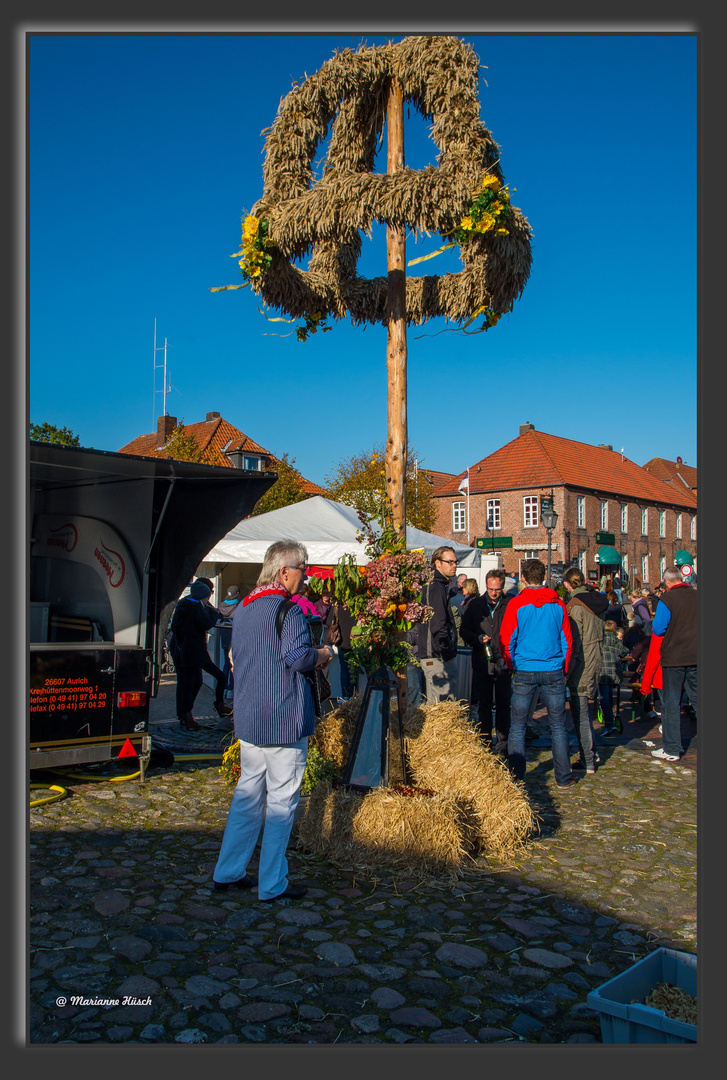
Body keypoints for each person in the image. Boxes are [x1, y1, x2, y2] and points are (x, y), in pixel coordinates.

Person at [212, 540, 332, 901]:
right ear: (284, 571)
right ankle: (272, 883)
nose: (306, 576)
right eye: (303, 569)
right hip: (282, 717)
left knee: (247, 796)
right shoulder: (287, 610)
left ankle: (229, 872)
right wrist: (324, 654)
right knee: (281, 801)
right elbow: (297, 657)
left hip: (251, 717)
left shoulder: (246, 608)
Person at [499, 559, 577, 789]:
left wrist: (511, 663)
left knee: (518, 726)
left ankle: (516, 777)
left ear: (523, 578)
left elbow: (506, 639)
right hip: (552, 667)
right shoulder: (558, 604)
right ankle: (563, 777)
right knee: (558, 727)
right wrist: (564, 668)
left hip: (525, 667)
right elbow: (567, 641)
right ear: (544, 577)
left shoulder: (516, 604)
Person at [648, 565, 697, 762]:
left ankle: (672, 748)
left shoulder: (667, 599)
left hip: (674, 657)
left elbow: (658, 628)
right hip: (696, 654)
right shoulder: (697, 596)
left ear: (668, 581)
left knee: (671, 703)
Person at [169, 580, 233, 730]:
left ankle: (186, 715)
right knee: (191, 682)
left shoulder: (184, 603)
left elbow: (178, 627)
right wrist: (213, 614)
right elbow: (205, 623)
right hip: (192, 653)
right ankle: (192, 713)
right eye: (209, 594)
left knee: (189, 683)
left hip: (186, 652)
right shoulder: (194, 606)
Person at [461, 569, 511, 752]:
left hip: (504, 661)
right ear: (486, 586)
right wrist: (477, 638)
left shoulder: (508, 605)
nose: (494, 593)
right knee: (484, 704)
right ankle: (485, 742)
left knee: (504, 704)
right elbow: (464, 631)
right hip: (483, 661)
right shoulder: (476, 605)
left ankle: (503, 743)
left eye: (497, 589)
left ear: (502, 587)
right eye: (490, 589)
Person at [563, 567, 607, 775]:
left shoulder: (575, 606)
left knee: (580, 713)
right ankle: (592, 752)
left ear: (567, 584)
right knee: (585, 711)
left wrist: (567, 671)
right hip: (596, 658)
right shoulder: (597, 602)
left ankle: (588, 759)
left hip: (582, 663)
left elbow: (575, 643)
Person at [417, 546, 459, 702]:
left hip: (436, 655)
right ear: (437, 563)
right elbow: (438, 624)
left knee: (437, 706)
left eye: (455, 562)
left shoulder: (440, 584)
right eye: (450, 562)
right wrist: (447, 654)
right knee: (443, 705)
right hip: (437, 656)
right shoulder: (435, 586)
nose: (454, 565)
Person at [598, 619, 631, 735]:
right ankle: (610, 718)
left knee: (603, 698)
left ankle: (609, 722)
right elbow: (624, 652)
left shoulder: (600, 640)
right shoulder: (616, 641)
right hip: (614, 671)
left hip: (602, 672)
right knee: (609, 696)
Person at [217, 585, 241, 700]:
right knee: (233, 665)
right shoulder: (238, 607)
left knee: (226, 664)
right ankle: (231, 689)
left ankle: (224, 688)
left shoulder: (221, 606)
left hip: (224, 638)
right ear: (238, 594)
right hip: (234, 638)